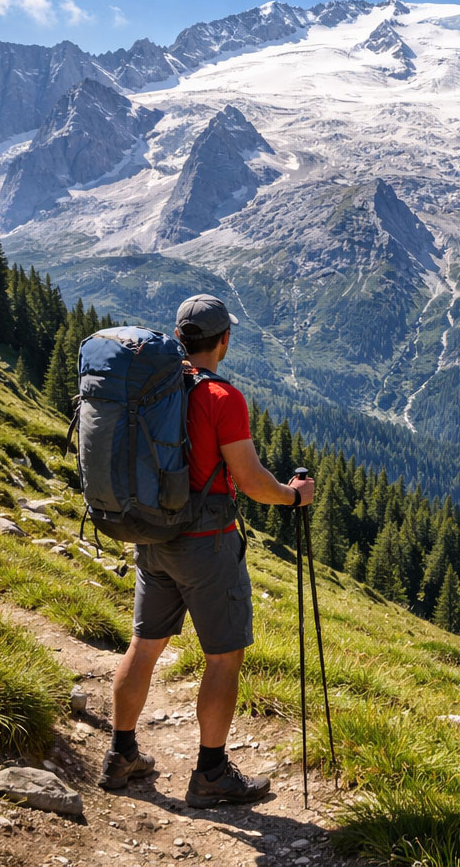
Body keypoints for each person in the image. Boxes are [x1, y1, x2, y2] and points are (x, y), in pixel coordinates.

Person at [98, 294, 314, 807]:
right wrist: (292, 496)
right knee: (223, 657)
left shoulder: (156, 384)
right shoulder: (222, 398)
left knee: (145, 643)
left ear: (178, 338)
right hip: (207, 544)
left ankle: (120, 753)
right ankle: (211, 774)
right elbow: (248, 479)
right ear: (223, 341)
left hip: (153, 533)